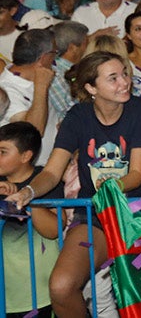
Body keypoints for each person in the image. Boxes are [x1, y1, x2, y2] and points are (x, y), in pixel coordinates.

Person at [3, 50, 141, 318]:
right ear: (90, 87)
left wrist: (113, 188)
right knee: (62, 287)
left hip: (136, 214)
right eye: (113, 78)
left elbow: (137, 175)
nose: (124, 82)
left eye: (124, 74)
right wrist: (28, 192)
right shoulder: (78, 116)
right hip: (94, 216)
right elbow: (52, 172)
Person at [0, 122, 61, 318]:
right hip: (5, 294)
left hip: (37, 293)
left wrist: (24, 197)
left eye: (2, 152)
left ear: (26, 156)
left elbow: (53, 230)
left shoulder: (46, 180)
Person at [0, 29, 59, 165]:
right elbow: (34, 131)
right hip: (32, 174)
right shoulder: (7, 89)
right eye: (54, 54)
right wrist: (41, 87)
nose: (55, 60)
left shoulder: (35, 78)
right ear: (43, 58)